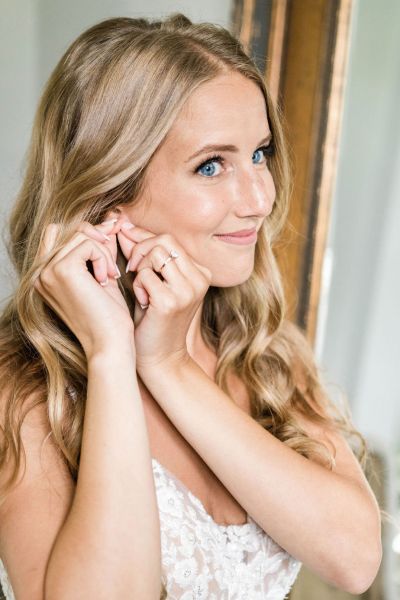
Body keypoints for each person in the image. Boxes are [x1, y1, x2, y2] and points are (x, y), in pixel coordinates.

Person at [0, 13, 382, 600]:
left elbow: (355, 560)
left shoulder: (262, 349)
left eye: (259, 154)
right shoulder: (27, 390)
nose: (259, 198)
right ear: (109, 194)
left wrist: (169, 367)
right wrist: (110, 357)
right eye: (212, 165)